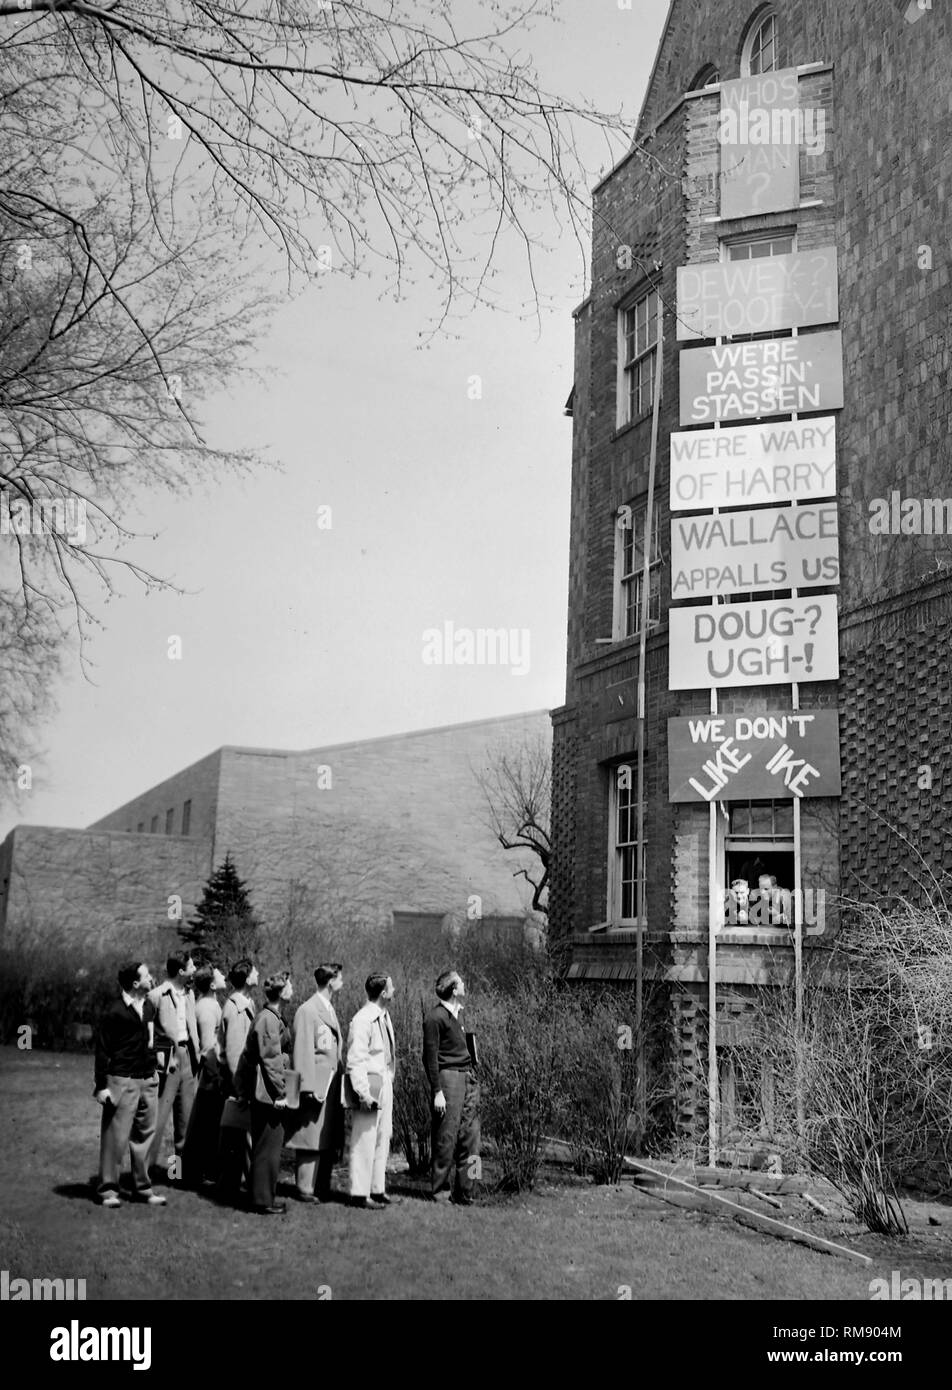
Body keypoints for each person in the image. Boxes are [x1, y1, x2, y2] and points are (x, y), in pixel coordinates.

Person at [93, 962, 166, 1207]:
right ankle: (108, 1190)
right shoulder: (114, 1011)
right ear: (135, 983)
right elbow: (102, 1050)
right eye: (147, 975)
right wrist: (101, 1086)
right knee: (116, 1138)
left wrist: (157, 1063)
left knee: (145, 1136)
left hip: (147, 1079)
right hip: (122, 1080)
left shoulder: (148, 1007)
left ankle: (142, 1188)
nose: (152, 978)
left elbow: (152, 1039)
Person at [285, 963, 345, 1204]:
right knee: (309, 1137)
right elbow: (301, 1051)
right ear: (330, 981)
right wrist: (307, 1087)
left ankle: (321, 1186)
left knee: (324, 1136)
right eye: (340, 978)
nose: (343, 981)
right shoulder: (308, 1010)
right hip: (315, 1086)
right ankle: (305, 1188)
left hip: (329, 1086)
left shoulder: (328, 1009)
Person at [235, 972, 293, 1214]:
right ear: (281, 992)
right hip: (268, 1093)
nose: (292, 989)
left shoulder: (271, 1016)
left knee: (266, 1144)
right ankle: (262, 1200)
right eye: (289, 986)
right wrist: (281, 1094)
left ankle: (262, 1197)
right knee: (267, 1145)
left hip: (269, 1091)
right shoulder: (268, 1019)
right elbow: (270, 1059)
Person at [423, 970, 480, 1205]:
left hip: (469, 1078)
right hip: (448, 1080)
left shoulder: (462, 1015)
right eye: (461, 982)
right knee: (445, 1137)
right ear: (454, 990)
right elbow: (429, 1057)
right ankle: (440, 1192)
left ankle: (467, 1192)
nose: (465, 984)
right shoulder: (435, 1018)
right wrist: (437, 1091)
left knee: (473, 1138)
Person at [343, 973, 398, 1210]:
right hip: (369, 1083)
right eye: (391, 986)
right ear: (383, 992)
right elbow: (355, 1060)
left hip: (384, 1081)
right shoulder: (363, 1019)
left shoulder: (383, 1017)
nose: (394, 989)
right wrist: (363, 1093)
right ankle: (359, 1193)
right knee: (364, 1138)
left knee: (383, 1137)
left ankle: (377, 1189)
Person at [145, 954, 199, 1180]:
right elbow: (145, 1033)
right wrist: (157, 1054)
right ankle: (143, 1175)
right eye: (191, 965)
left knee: (185, 1122)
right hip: (166, 1062)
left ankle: (179, 1174)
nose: (195, 968)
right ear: (180, 971)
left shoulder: (190, 994)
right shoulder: (155, 996)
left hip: (188, 1060)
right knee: (156, 1121)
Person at [180, 965, 226, 1187]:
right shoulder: (207, 1008)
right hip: (209, 1078)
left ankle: (184, 1175)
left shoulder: (210, 1004)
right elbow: (208, 1047)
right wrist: (217, 1077)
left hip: (209, 1076)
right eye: (219, 975)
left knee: (197, 1129)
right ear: (212, 984)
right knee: (199, 1129)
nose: (224, 976)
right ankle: (181, 1175)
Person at [217, 958, 258, 1201]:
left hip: (243, 1082)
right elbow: (233, 1053)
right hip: (238, 1085)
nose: (258, 973)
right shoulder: (235, 1008)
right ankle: (236, 1187)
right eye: (254, 971)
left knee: (243, 1138)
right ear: (246, 977)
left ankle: (242, 1184)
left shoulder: (245, 1003)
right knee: (238, 1138)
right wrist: (240, 1088)